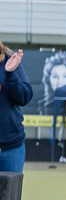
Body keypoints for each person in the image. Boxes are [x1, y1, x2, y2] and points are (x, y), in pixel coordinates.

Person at [0, 38, 34, 171]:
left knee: (10, 192)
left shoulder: (9, 60)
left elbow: (24, 97)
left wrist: (10, 74)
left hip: (11, 148)